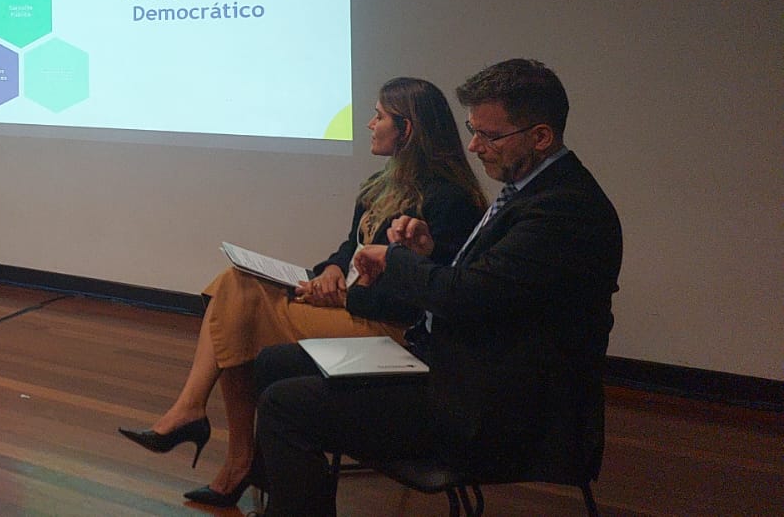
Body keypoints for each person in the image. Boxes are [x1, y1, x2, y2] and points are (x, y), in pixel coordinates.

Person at [251, 59, 623, 517]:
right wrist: (424, 253)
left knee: (285, 406)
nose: (474, 145)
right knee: (274, 363)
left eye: (489, 135)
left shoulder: (564, 211)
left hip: (498, 408)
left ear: (541, 136)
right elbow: (484, 287)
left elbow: (462, 298)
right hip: (458, 369)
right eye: (472, 130)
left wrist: (397, 259)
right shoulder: (531, 192)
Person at [118, 77, 485, 509]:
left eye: (379, 117)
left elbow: (421, 298)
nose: (370, 124)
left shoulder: (449, 200)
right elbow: (351, 248)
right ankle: (215, 436)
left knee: (235, 305)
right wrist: (330, 270)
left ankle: (213, 435)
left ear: (407, 129)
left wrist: (343, 297)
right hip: (356, 311)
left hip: (392, 332)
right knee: (234, 289)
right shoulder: (380, 184)